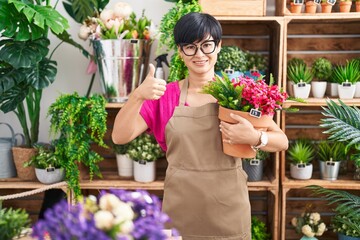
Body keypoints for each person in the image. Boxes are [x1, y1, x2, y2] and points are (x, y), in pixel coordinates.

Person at [112, 12, 288, 240]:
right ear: (180, 51)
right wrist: (137, 96)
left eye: (207, 45)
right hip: (181, 213)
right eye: (190, 47)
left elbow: (281, 141)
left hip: (228, 211)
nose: (199, 54)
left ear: (219, 46)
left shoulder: (238, 94)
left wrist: (255, 137)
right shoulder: (165, 96)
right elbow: (119, 136)